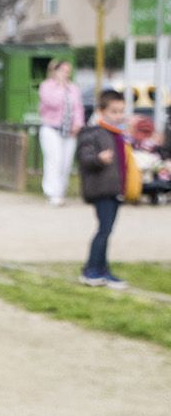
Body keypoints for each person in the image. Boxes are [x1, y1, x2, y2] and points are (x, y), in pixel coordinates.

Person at [76, 89, 138, 289]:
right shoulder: (92, 133)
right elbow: (84, 158)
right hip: (101, 189)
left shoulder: (118, 135)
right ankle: (92, 270)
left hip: (115, 189)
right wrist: (98, 159)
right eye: (114, 112)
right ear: (102, 111)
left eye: (121, 112)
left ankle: (102, 269)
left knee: (107, 230)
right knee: (104, 230)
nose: (118, 116)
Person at [37, 59, 83, 206]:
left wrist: (78, 124)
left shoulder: (74, 88)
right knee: (54, 160)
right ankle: (52, 192)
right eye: (62, 71)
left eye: (67, 71)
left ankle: (61, 190)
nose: (65, 74)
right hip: (52, 128)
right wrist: (60, 86)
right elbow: (52, 102)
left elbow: (78, 108)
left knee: (65, 162)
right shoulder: (47, 86)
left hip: (69, 130)